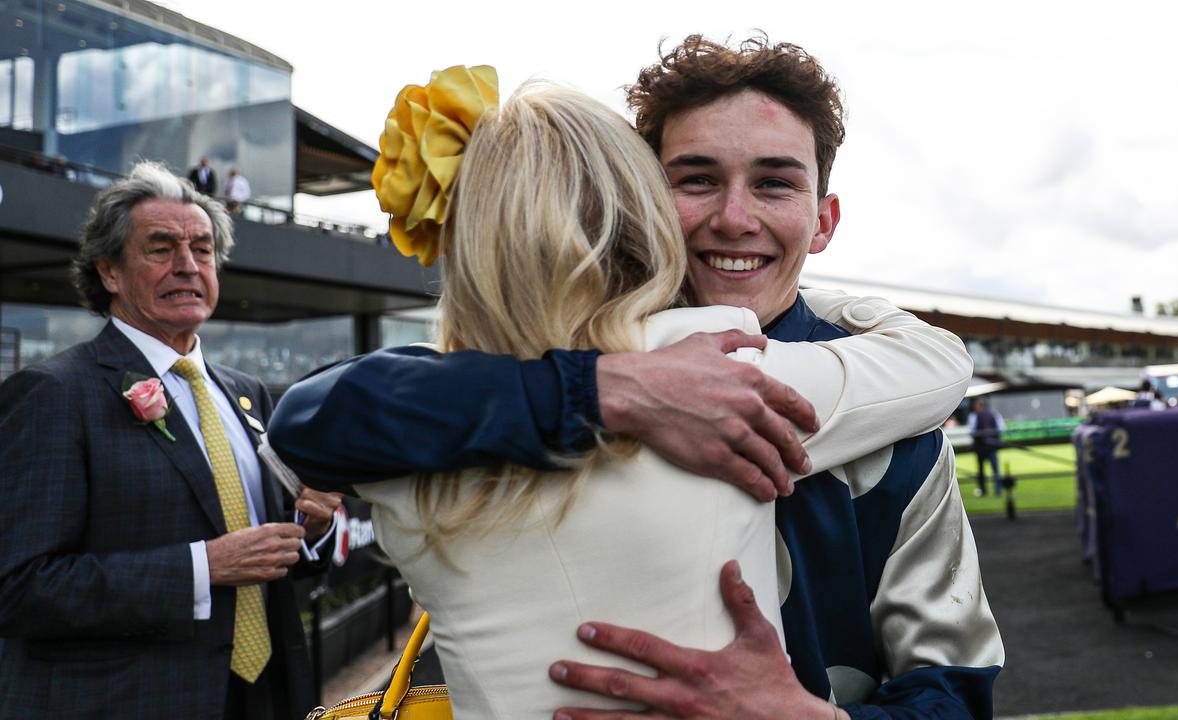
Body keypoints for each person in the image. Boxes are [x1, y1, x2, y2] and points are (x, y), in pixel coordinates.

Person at [271, 36, 1002, 719]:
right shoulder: (470, 394)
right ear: (644, 202)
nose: (733, 217)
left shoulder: (898, 432)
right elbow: (319, 416)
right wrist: (605, 388)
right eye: (697, 179)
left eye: (774, 184)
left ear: (823, 220)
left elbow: (957, 689)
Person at [0, 162, 342, 719]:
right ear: (109, 271)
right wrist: (201, 567)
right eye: (161, 249)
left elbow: (267, 553)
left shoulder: (247, 392)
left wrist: (314, 530)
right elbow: (17, 587)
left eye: (202, 250)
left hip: (269, 695)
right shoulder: (53, 393)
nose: (187, 266)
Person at [967, 396, 1006, 497]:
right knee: (994, 469)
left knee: (983, 470)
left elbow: (972, 431)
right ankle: (997, 489)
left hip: (981, 447)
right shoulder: (994, 414)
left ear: (980, 406)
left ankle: (985, 490)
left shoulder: (974, 416)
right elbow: (1001, 428)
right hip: (990, 446)